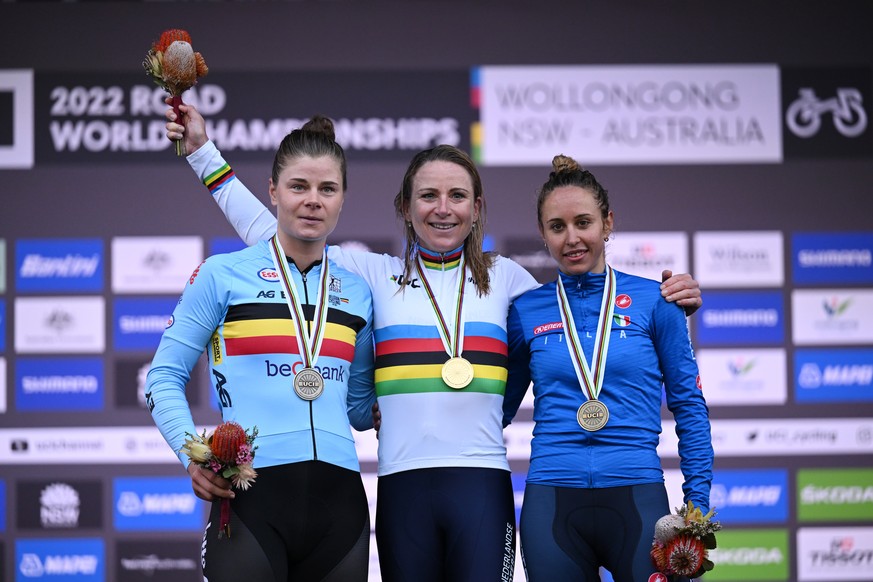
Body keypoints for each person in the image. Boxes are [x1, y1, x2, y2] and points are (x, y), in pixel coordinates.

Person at [164, 103, 703, 582]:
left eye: (457, 196)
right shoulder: (370, 275)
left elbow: (585, 319)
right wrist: (203, 156)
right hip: (402, 489)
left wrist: (667, 299)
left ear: (477, 206)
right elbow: (281, 232)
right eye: (428, 196)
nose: (442, 208)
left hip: (484, 489)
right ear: (405, 206)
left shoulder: (510, 279)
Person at [145, 116, 376, 582]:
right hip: (251, 500)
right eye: (299, 186)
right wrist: (191, 456)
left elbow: (358, 410)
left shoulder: (358, 291)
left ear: (342, 199)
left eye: (327, 189)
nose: (313, 200)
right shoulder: (222, 275)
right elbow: (162, 378)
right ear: (273, 191)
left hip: (341, 505)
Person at [503, 155, 713, 582]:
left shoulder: (658, 301)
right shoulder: (526, 310)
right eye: (557, 227)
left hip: (637, 497)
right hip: (552, 500)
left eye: (584, 222)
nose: (572, 238)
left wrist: (696, 508)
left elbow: (690, 407)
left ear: (608, 223)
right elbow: (494, 411)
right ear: (543, 234)